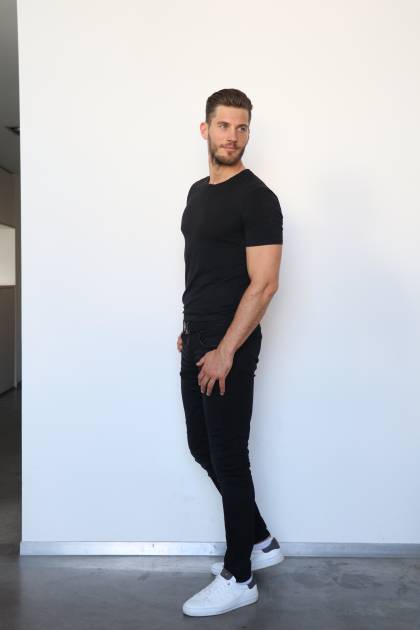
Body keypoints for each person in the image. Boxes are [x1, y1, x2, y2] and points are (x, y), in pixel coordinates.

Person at [178, 88, 284, 617]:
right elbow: (201, 267)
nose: (233, 136)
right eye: (224, 126)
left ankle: (240, 574)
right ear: (205, 129)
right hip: (196, 339)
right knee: (202, 446)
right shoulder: (198, 193)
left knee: (228, 455)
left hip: (229, 347)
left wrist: (225, 350)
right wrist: (189, 327)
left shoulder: (258, 198)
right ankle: (259, 538)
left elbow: (263, 285)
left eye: (242, 128)